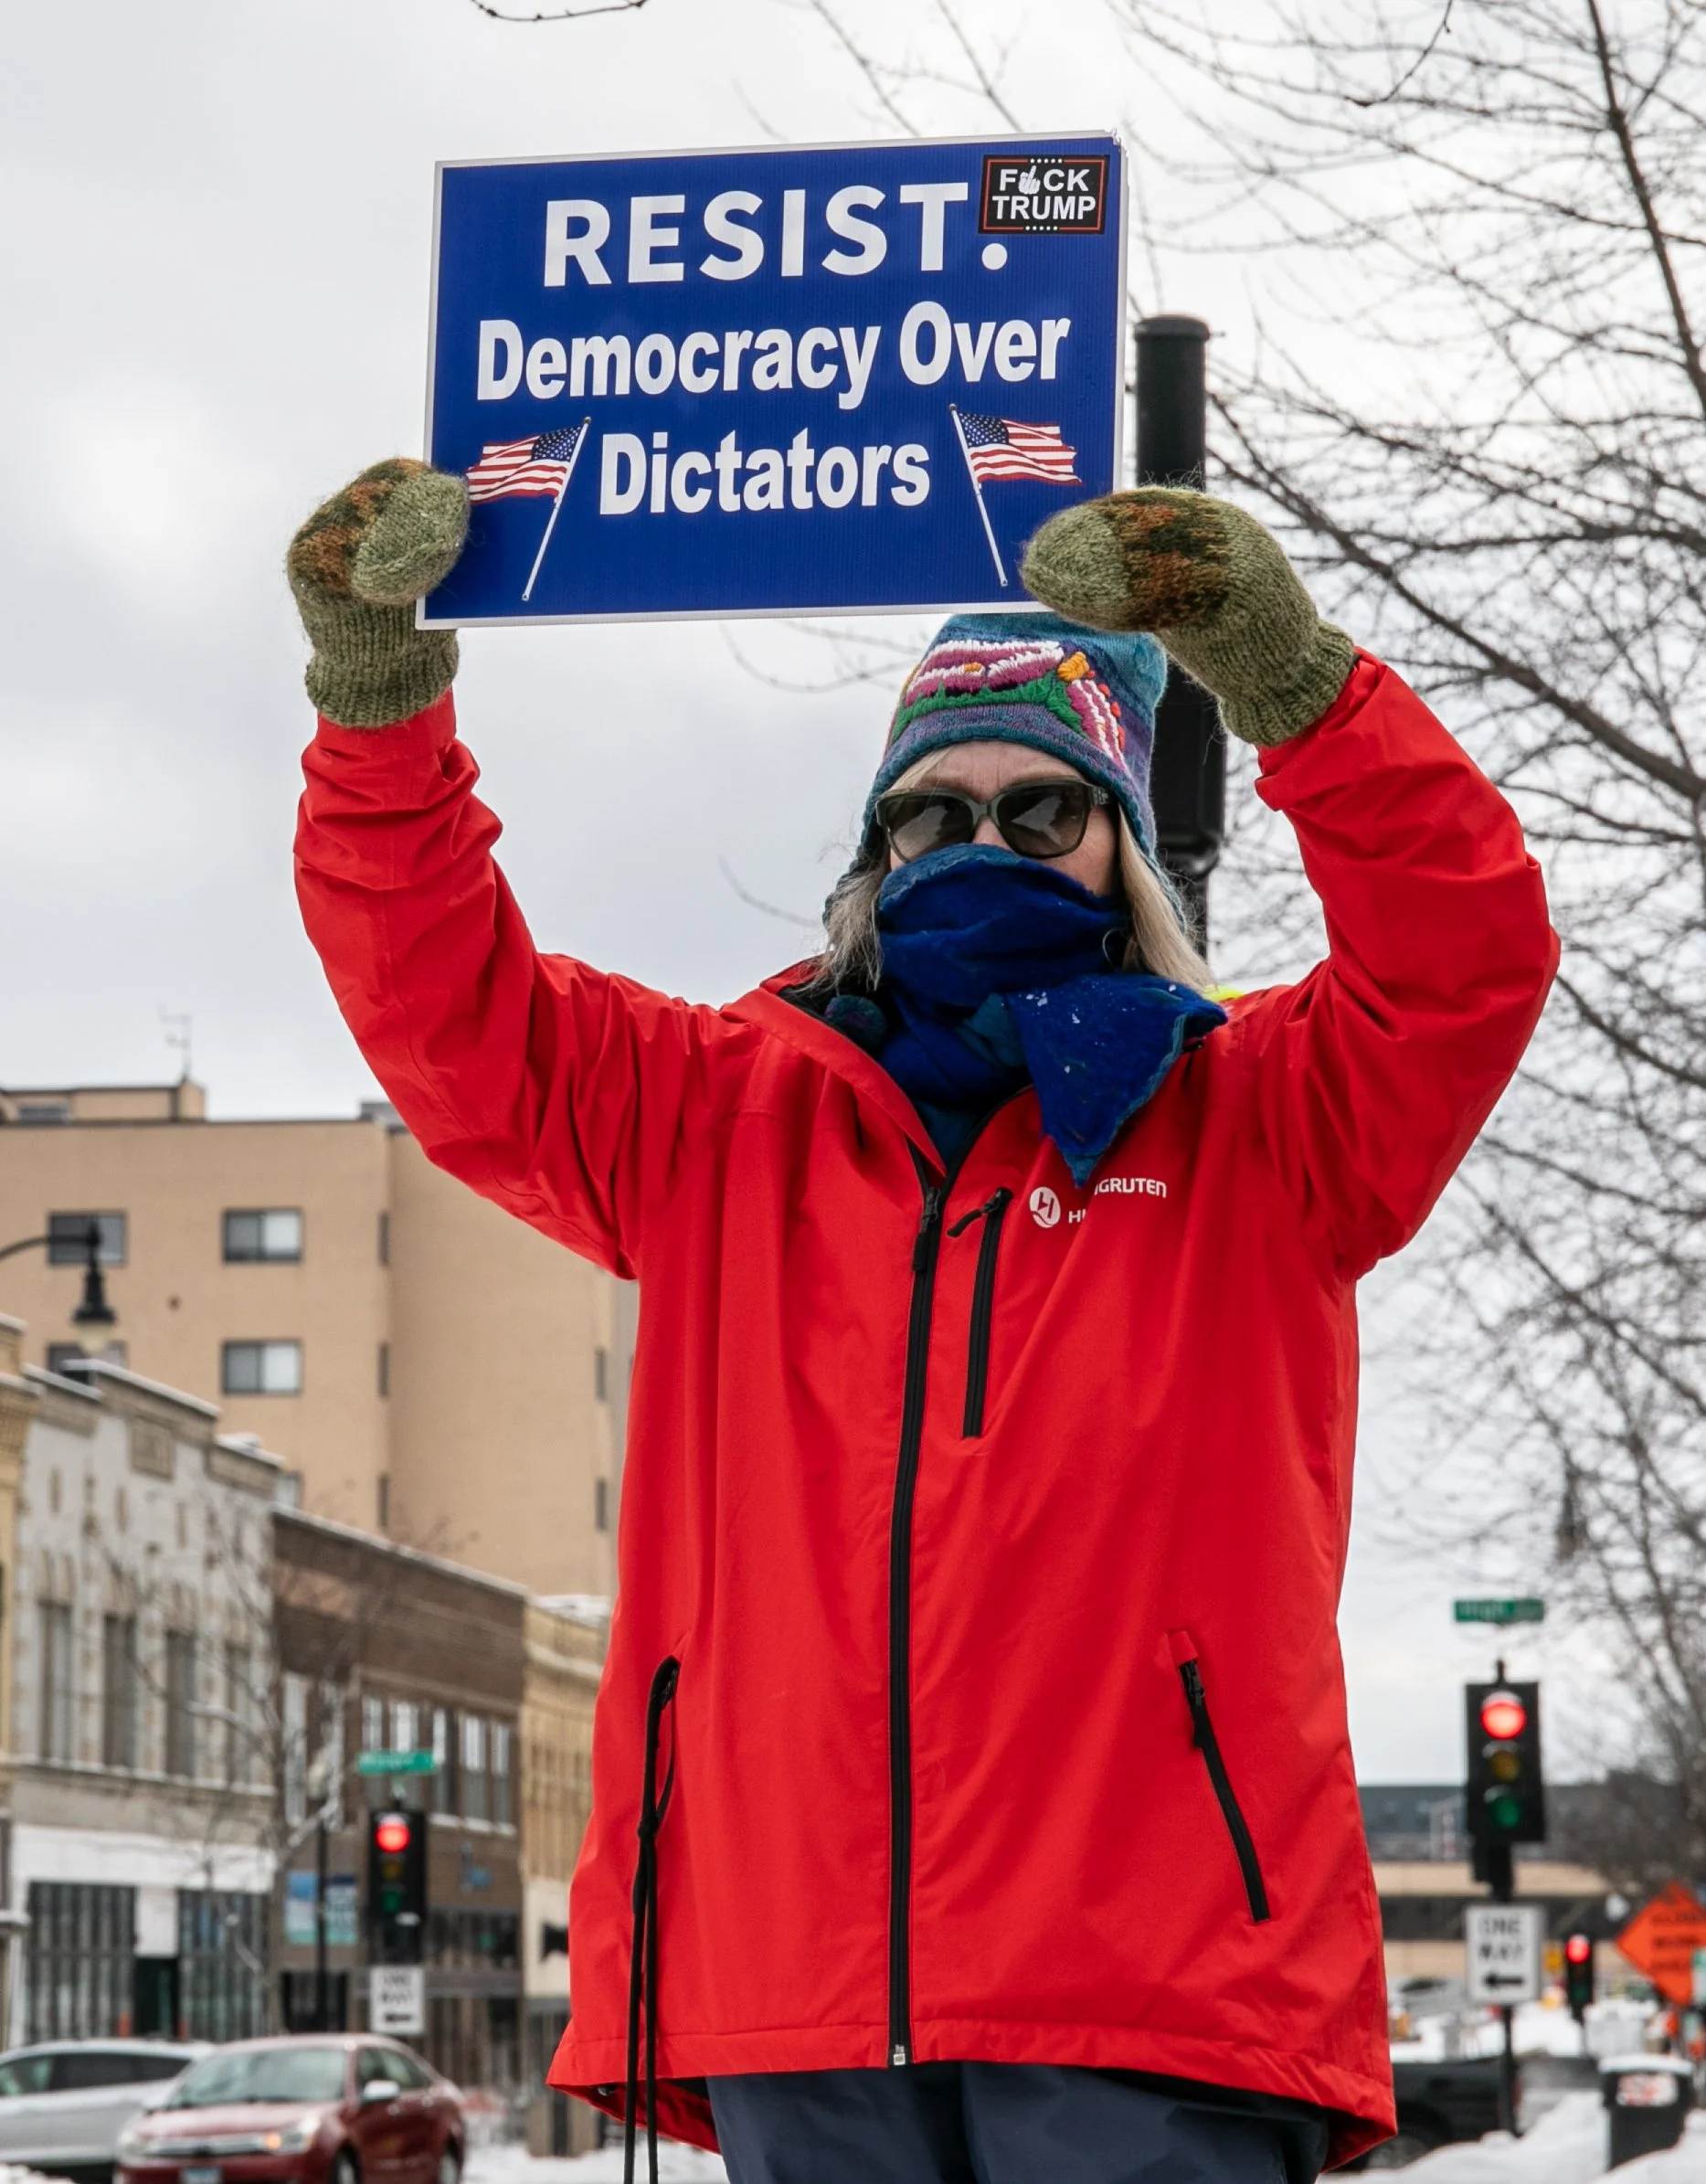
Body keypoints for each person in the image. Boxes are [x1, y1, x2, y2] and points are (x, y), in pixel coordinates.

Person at [289, 463, 1557, 2184]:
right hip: (791, 1976)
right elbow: (444, 1001)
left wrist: (1292, 683)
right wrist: (380, 710)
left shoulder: (1263, 1116)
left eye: (1041, 809)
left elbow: (1462, 946)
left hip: (1150, 1992)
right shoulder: (711, 1113)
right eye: (930, 814)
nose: (981, 845)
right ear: (873, 855)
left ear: (1119, 843)